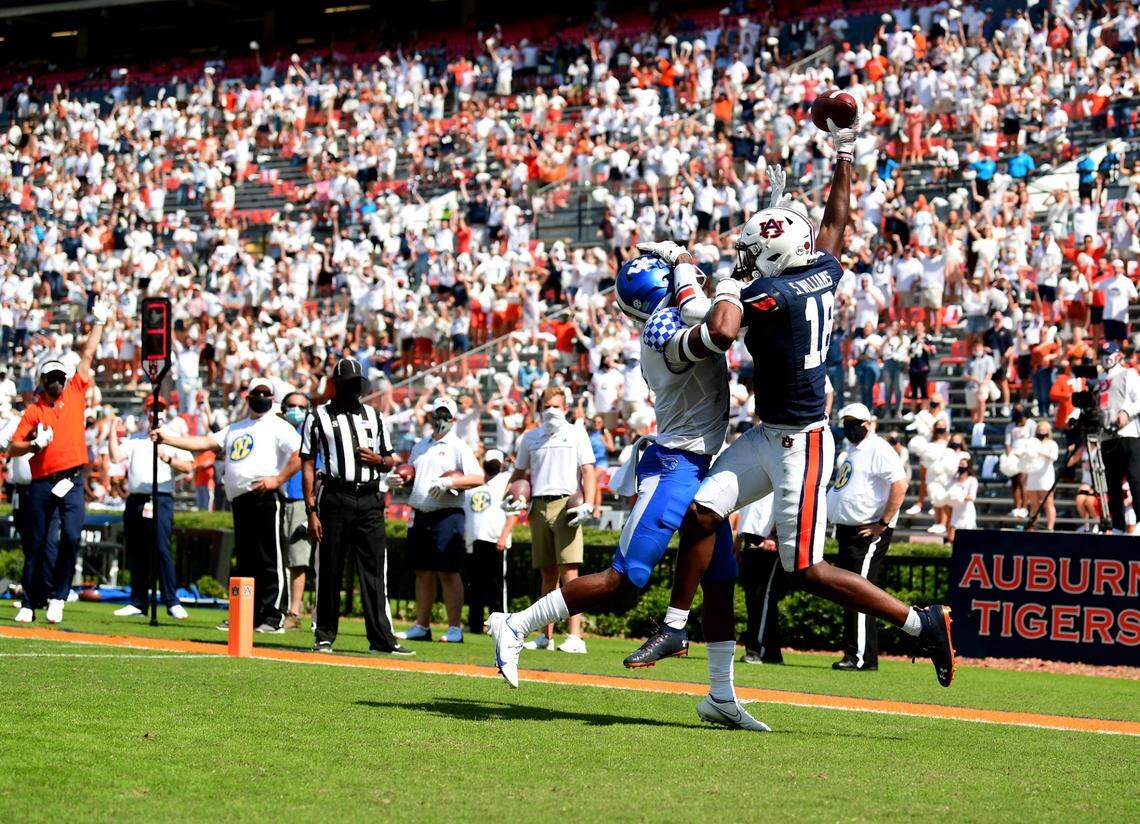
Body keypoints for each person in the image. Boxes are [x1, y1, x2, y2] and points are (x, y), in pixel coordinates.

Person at [628, 104, 956, 691]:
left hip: (802, 443)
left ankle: (919, 622)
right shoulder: (820, 268)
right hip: (768, 434)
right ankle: (675, 626)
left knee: (804, 567)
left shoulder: (773, 296)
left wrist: (717, 275)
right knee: (702, 512)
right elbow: (834, 225)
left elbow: (721, 329)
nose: (747, 264)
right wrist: (845, 155)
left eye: (754, 257)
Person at [491, 237, 764, 730]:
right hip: (675, 466)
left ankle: (721, 696)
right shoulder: (663, 332)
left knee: (721, 581)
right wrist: (687, 262)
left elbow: (715, 308)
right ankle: (515, 625)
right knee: (626, 576)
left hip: (702, 465)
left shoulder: (670, 316)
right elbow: (718, 328)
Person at [154, 377, 301, 633]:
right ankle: (245, 615)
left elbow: (300, 453)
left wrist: (278, 479)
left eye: (266, 393)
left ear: (272, 398)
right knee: (246, 561)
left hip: (266, 496)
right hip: (241, 498)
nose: (261, 397)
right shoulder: (235, 428)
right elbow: (204, 443)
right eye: (257, 393)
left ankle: (272, 615)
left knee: (269, 558)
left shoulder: (279, 426)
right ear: (248, 396)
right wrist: (167, 439)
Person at [7, 295, 114, 624]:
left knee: (70, 536)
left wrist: (99, 322)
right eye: (51, 378)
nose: (56, 382)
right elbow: (11, 448)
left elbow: (87, 355)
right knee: (36, 544)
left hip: (71, 479)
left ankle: (58, 596)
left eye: (59, 377)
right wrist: (33, 443)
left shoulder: (75, 392)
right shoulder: (34, 411)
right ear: (42, 382)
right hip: (41, 483)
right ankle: (29, 601)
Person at [302, 358, 410, 654]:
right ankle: (324, 635)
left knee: (375, 570)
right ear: (336, 386)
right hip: (335, 496)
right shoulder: (317, 416)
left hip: (370, 498)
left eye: (356, 385)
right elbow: (308, 463)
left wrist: (379, 460)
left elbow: (389, 459)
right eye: (348, 384)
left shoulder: (375, 416)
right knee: (330, 568)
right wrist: (311, 510)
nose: (353, 390)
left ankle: (382, 640)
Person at [504, 385, 596, 653]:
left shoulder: (576, 432)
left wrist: (589, 503)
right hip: (538, 505)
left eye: (556, 406)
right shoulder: (530, 437)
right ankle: (546, 635)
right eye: (547, 406)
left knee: (570, 572)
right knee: (547, 574)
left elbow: (588, 471)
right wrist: (506, 496)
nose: (551, 411)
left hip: (567, 503)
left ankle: (575, 636)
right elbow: (519, 473)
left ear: (565, 408)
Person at [826, 403, 907, 672]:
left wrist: (883, 523)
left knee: (859, 591)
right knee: (850, 594)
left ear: (868, 424)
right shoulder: (852, 450)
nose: (850, 428)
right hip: (848, 530)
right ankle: (856, 653)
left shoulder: (879, 448)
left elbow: (900, 484)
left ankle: (860, 656)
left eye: (855, 423)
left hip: (867, 531)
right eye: (846, 423)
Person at [396, 397, 484, 644]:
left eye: (446, 414)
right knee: (422, 571)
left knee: (448, 571)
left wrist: (450, 482)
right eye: (438, 413)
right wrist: (402, 480)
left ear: (453, 419)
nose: (441, 419)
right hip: (421, 511)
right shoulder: (420, 445)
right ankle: (422, 625)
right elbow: (413, 475)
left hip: (447, 512)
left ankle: (454, 627)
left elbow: (477, 477)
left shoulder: (458, 445)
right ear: (431, 415)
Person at [108, 398, 193, 620]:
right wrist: (112, 431)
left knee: (161, 549)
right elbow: (115, 456)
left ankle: (171, 600)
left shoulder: (173, 438)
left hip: (160, 496)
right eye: (153, 409)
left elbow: (188, 466)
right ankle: (138, 601)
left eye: (160, 409)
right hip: (137, 498)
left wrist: (167, 457)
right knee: (137, 551)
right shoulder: (136, 439)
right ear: (147, 413)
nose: (156, 413)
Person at [462, 448, 514, 634]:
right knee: (475, 584)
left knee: (496, 585)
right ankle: (474, 624)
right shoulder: (474, 482)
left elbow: (513, 512)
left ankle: (499, 624)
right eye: (490, 463)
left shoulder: (506, 481)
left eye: (496, 463)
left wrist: (504, 536)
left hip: (495, 539)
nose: (492, 466)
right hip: (475, 538)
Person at [733, 492, 784, 666]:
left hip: (769, 539)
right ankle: (772, 652)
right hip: (751, 537)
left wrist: (774, 534)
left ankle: (755, 650)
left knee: (763, 597)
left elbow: (785, 502)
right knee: (755, 598)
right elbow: (747, 508)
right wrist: (739, 538)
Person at [1098, 342, 1140, 532]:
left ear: (1118, 355)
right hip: (1106, 436)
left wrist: (1126, 412)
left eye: (1109, 353)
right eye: (1103, 354)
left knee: (1135, 478)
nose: (1106, 357)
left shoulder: (1128, 373)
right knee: (1112, 483)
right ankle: (1117, 526)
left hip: (1128, 433)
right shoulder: (1099, 379)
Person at [279, 391, 312, 629]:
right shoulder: (275, 431)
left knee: (298, 558)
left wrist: (313, 508)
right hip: (275, 498)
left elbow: (317, 472)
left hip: (299, 500)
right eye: (292, 406)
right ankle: (272, 607)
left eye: (301, 407)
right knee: (274, 557)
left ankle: (294, 611)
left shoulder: (310, 435)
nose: (296, 410)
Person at [1023, 421, 1059, 531]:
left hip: (1046, 477)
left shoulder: (1052, 444)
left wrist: (1039, 452)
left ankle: (1050, 528)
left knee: (1048, 503)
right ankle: (1032, 527)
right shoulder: (1032, 442)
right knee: (1034, 504)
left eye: (1043, 429)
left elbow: (1054, 457)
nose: (1041, 431)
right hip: (1033, 475)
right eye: (1039, 429)